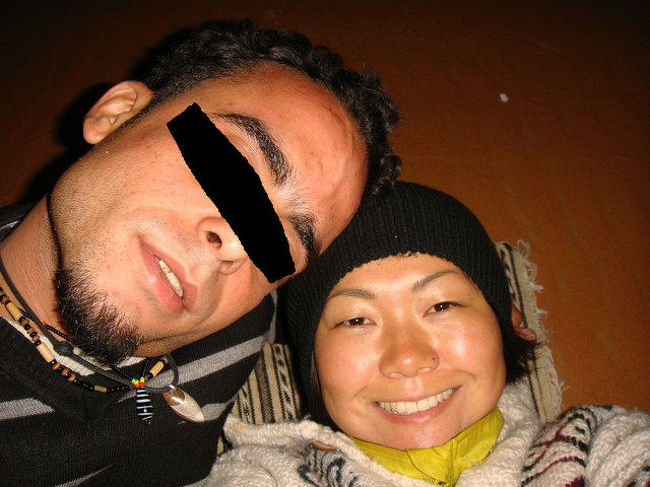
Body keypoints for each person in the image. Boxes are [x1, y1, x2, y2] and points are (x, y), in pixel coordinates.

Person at [0, 19, 401, 485]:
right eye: (230, 165)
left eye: (282, 243)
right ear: (117, 115)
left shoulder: (241, 320)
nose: (238, 242)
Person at [210, 182, 650, 486]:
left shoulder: (592, 446)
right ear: (313, 362)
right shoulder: (263, 476)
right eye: (356, 320)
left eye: (441, 306)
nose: (407, 357)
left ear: (509, 322)